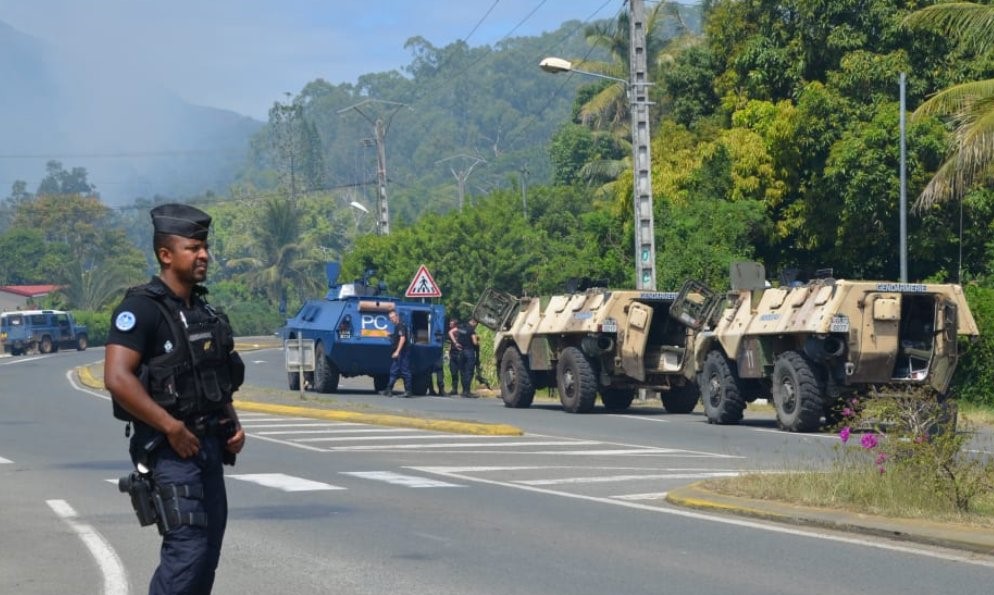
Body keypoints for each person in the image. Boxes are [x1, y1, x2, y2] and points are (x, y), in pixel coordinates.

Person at [104, 203, 246, 595]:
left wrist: (232, 421)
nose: (203, 255)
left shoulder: (203, 311)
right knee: (187, 551)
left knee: (206, 555)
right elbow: (117, 378)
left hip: (208, 448)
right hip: (170, 453)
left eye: (204, 247)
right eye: (193, 247)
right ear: (166, 255)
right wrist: (170, 427)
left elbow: (213, 374)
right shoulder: (141, 310)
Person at [381, 309, 412, 397]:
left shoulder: (401, 326)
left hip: (403, 352)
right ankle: (388, 390)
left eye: (392, 317)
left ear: (397, 316)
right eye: (390, 318)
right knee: (393, 371)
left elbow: (402, 338)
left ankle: (408, 391)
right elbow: (397, 337)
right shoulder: (397, 327)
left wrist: (397, 351)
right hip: (399, 352)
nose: (391, 319)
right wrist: (390, 335)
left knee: (405, 371)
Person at [457, 318, 480, 397]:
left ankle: (463, 391)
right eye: (476, 325)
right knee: (469, 372)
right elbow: (474, 342)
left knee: (462, 372)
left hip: (461, 352)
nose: (475, 326)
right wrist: (477, 341)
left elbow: (458, 338)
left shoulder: (461, 328)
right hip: (469, 351)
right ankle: (467, 391)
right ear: (474, 322)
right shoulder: (471, 330)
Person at [446, 318, 463, 396]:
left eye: (451, 324)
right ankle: (454, 389)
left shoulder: (459, 331)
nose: (449, 325)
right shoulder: (452, 332)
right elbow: (450, 343)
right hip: (453, 353)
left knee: (462, 372)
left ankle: (464, 389)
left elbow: (450, 332)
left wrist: (456, 343)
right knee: (453, 372)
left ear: (455, 325)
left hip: (459, 353)